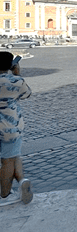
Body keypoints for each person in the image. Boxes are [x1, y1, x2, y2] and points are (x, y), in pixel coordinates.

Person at [0, 52, 32, 206]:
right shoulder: (16, 81)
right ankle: (8, 192)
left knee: (11, 158)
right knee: (10, 159)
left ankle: (14, 186)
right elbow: (27, 94)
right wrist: (17, 74)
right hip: (11, 127)